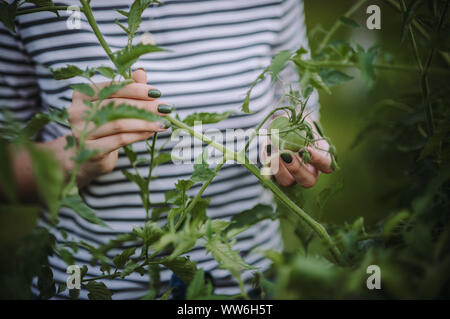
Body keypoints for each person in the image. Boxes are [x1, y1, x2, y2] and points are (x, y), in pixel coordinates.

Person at [0, 0, 332, 299]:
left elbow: (292, 94)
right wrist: (78, 156)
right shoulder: (27, 7)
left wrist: (293, 138)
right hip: (91, 285)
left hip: (245, 285)